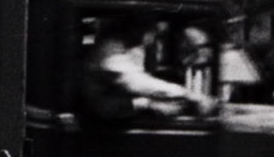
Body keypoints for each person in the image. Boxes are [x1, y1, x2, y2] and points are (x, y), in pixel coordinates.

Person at [80, 15, 219, 121]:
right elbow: (140, 84)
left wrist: (151, 103)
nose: (153, 39)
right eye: (154, 32)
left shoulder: (124, 47)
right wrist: (191, 95)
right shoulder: (111, 49)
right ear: (142, 30)